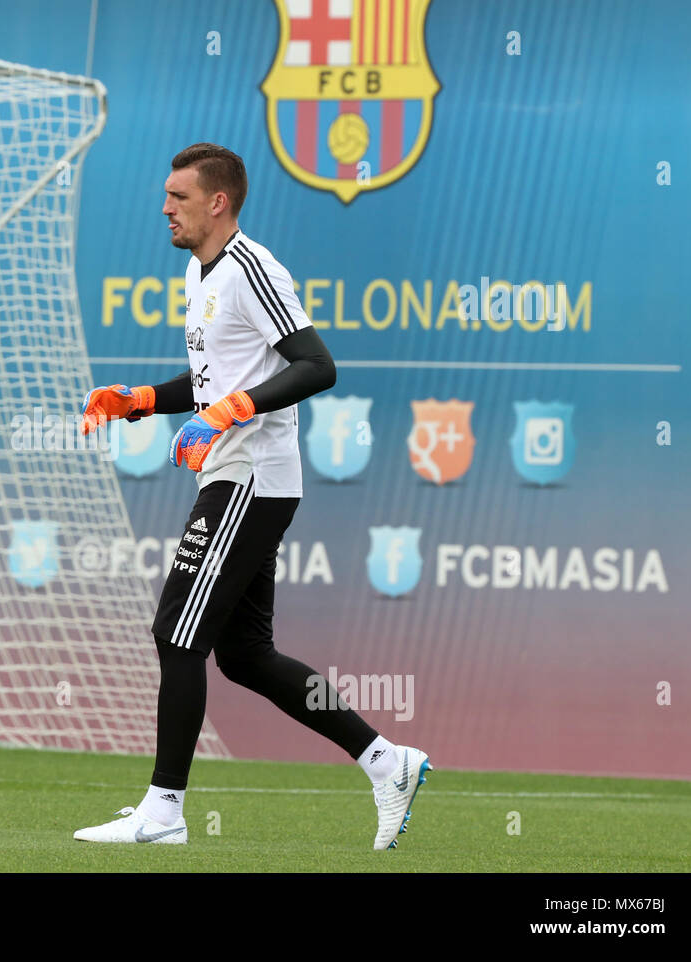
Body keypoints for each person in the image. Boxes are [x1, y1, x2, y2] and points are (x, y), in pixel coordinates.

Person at [74, 143, 430, 850]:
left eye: (178, 197)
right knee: (244, 656)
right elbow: (212, 383)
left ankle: (165, 811)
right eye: (166, 195)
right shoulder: (196, 272)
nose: (165, 207)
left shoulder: (251, 268)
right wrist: (141, 399)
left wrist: (233, 410)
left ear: (218, 203)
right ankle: (389, 762)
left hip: (251, 477)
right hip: (234, 476)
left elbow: (316, 365)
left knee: (176, 634)